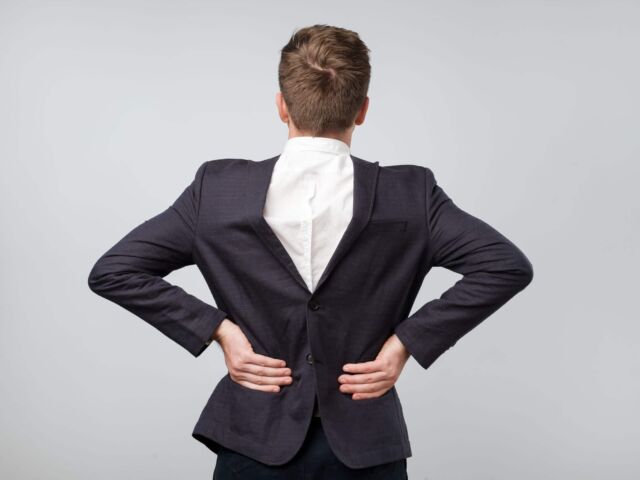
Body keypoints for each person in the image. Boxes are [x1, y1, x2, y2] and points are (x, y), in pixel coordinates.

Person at [88, 24, 533, 480]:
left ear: (282, 106)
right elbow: (506, 266)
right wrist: (405, 343)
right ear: (362, 110)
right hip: (363, 444)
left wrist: (220, 331)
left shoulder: (218, 191)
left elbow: (114, 271)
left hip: (254, 442)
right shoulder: (410, 194)